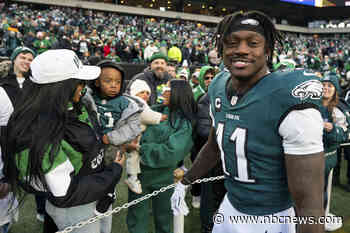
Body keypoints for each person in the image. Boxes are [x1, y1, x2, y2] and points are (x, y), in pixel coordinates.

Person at [171, 11, 325, 233]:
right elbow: (215, 144)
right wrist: (187, 180)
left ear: (267, 51)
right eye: (232, 43)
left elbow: (309, 201)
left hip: (273, 217)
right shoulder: (218, 85)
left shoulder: (287, 99)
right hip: (230, 205)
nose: (241, 49)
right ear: (222, 49)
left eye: (252, 43)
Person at [3, 49, 125, 233]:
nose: (85, 87)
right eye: (80, 82)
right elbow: (65, 192)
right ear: (60, 87)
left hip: (96, 197)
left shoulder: (74, 104)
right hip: (77, 209)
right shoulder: (36, 130)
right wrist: (113, 172)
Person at [127, 79, 197, 233]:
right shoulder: (154, 109)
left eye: (168, 88)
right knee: (136, 219)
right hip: (138, 175)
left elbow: (170, 152)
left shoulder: (184, 123)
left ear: (178, 94)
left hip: (165, 177)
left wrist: (140, 147)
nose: (163, 91)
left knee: (165, 220)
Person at [82, 60, 143, 224]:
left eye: (118, 82)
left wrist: (112, 137)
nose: (114, 85)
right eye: (108, 81)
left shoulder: (126, 103)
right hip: (90, 144)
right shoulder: (87, 97)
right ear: (96, 81)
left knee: (111, 164)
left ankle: (108, 193)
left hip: (111, 145)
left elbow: (134, 127)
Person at [125, 79, 168, 194]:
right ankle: (132, 178)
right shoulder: (136, 103)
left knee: (134, 156)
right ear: (135, 93)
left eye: (147, 93)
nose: (145, 95)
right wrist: (161, 117)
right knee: (133, 155)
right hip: (134, 134)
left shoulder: (139, 103)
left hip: (135, 132)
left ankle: (133, 177)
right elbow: (145, 115)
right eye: (142, 92)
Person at [320, 74, 348, 231]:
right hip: (306, 156)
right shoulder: (311, 104)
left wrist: (332, 129)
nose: (326, 87)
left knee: (322, 190)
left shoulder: (337, 109)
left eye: (330, 85)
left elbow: (344, 133)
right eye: (323, 84)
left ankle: (322, 217)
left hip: (326, 158)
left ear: (335, 89)